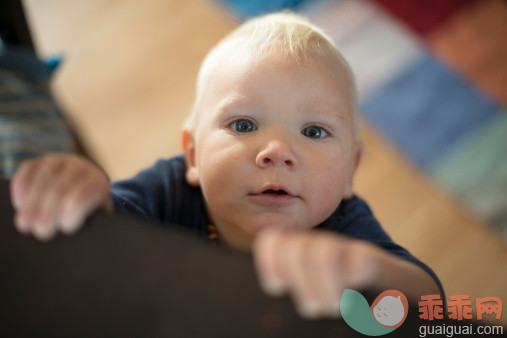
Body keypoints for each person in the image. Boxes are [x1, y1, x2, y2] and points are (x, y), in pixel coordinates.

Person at [9, 12, 443, 319]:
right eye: (244, 123)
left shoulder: (343, 229)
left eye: (313, 132)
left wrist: (371, 271)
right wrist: (86, 194)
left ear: (352, 170)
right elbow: (113, 230)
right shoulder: (169, 190)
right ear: (194, 155)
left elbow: (431, 308)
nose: (276, 151)